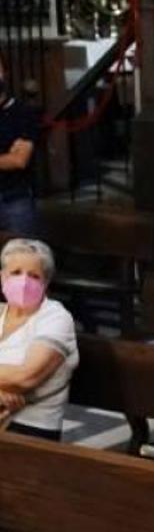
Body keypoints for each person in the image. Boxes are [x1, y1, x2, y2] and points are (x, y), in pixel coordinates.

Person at [0, 238, 77, 440]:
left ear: (45, 283)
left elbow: (25, 377)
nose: (24, 281)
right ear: (2, 277)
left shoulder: (56, 318)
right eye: (16, 273)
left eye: (34, 276)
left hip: (29, 430)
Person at [0, 60, 38, 236]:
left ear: (5, 73)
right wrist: (6, 156)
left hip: (15, 201)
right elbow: (10, 158)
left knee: (21, 258)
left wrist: (12, 158)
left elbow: (19, 160)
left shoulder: (23, 113)